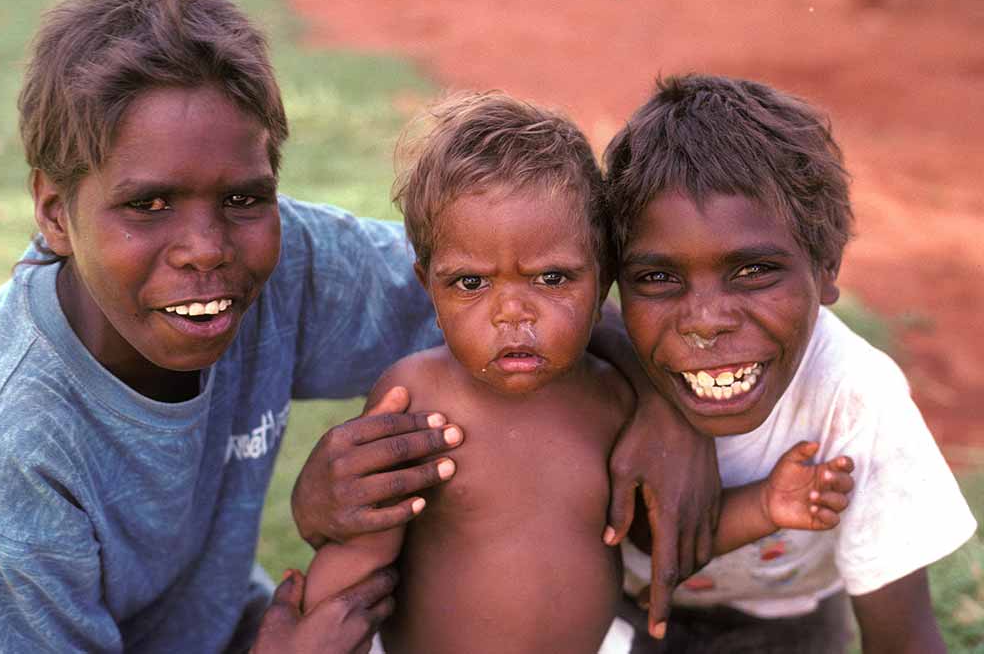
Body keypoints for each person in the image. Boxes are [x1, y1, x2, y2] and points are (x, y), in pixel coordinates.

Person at [0, 0, 718, 653]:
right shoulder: (8, 447)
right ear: (54, 211)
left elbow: (519, 292)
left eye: (243, 197)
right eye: (148, 204)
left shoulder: (285, 265)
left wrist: (663, 404)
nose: (206, 247)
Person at [299, 92, 857, 654]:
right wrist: (317, 632)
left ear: (603, 280)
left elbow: (653, 532)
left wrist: (764, 506)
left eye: (551, 278)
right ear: (429, 287)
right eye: (471, 283)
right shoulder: (415, 397)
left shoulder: (612, 401)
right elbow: (362, 547)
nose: (512, 313)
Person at [604, 73, 978, 653]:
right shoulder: (587, 379)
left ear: (826, 269)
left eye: (753, 271)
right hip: (611, 610)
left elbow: (903, 640)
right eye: (657, 277)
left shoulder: (856, 399)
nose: (706, 321)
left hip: (787, 623)